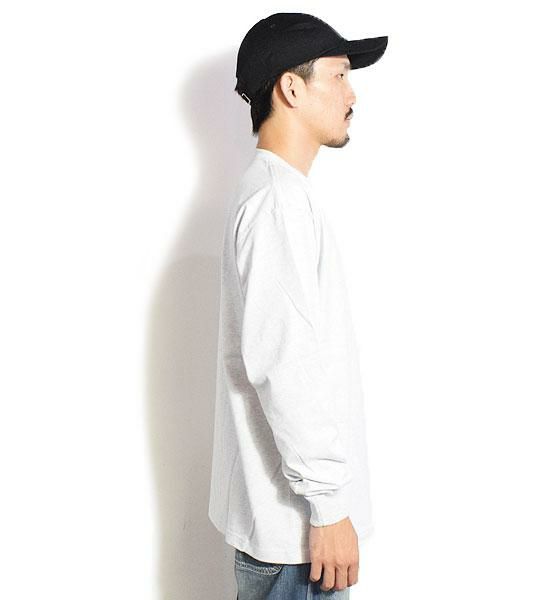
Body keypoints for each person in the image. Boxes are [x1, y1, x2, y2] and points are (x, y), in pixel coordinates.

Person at [208, 12, 388, 599]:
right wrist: (330, 506)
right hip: (299, 539)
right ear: (291, 87)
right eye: (338, 75)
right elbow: (284, 365)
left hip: (291, 533)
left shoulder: (275, 194)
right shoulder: (277, 203)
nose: (351, 94)